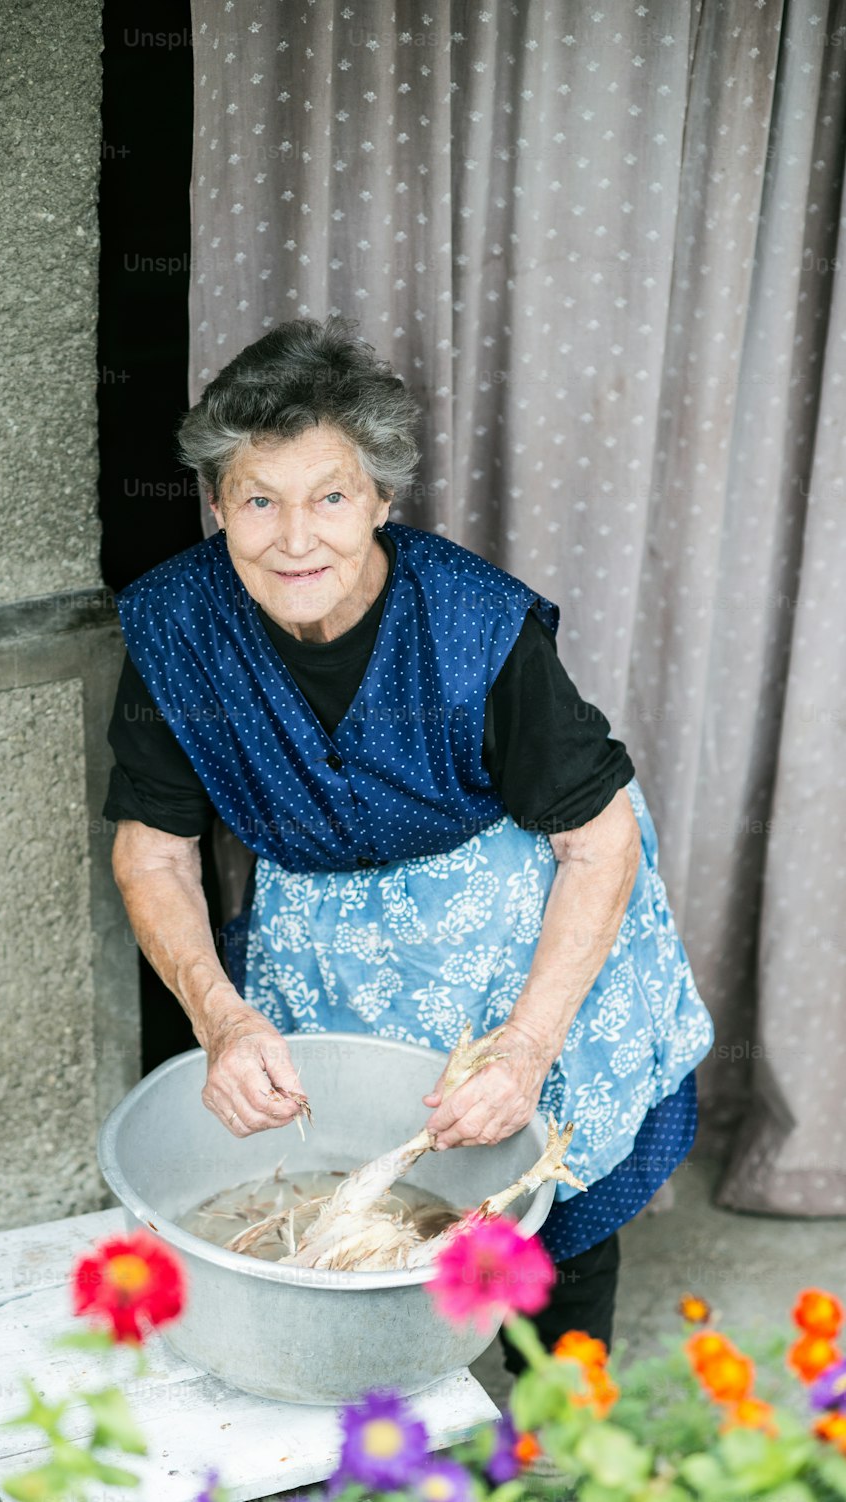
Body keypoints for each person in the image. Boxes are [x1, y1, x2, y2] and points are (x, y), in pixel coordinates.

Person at [103, 315, 714, 1367]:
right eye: (259, 499)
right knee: (363, 1194)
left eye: (331, 497)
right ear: (215, 506)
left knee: (548, 1197)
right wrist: (221, 1016)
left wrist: (526, 1047)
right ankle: (387, 1419)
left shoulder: (472, 622)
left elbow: (598, 841)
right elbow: (154, 848)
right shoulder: (175, 627)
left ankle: (556, 1438)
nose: (295, 538)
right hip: (330, 944)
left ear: (382, 501)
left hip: (519, 926)